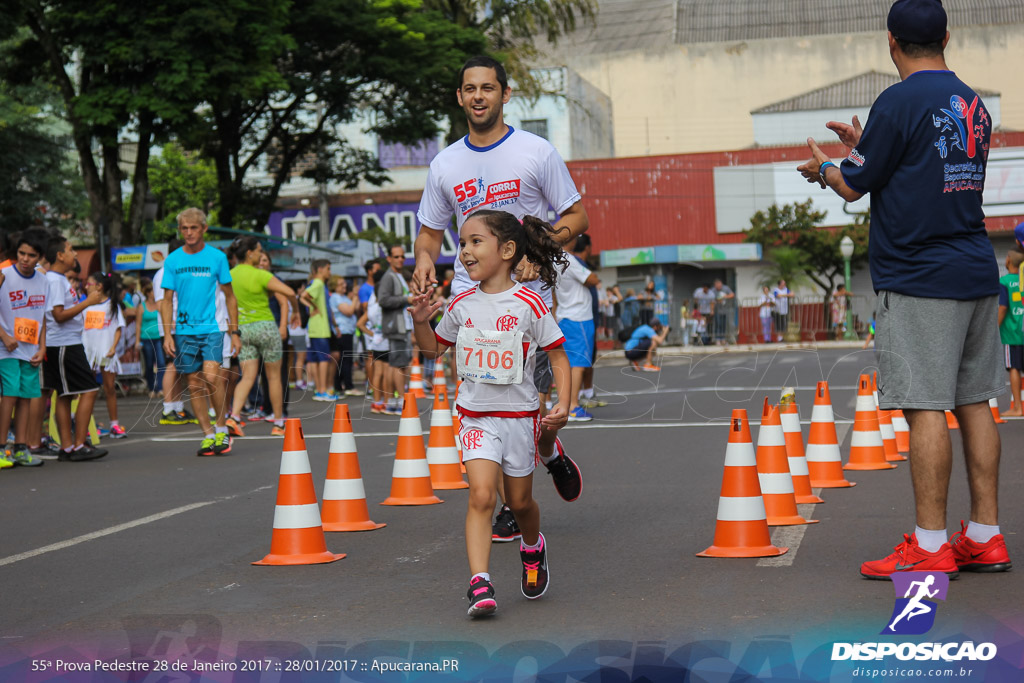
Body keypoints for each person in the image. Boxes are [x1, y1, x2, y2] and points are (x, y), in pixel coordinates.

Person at [797, 0, 1010, 578]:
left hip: (919, 278)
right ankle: (986, 535)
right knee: (975, 403)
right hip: (974, 269)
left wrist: (825, 167)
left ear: (891, 42)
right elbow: (922, 165)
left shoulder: (897, 99)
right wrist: (865, 141)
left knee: (924, 409)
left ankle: (930, 541)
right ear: (947, 37)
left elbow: (853, 186)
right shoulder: (973, 102)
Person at [411, 54, 585, 520]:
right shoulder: (445, 163)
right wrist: (425, 258)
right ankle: (508, 500)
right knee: (488, 397)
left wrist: (537, 251)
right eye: (470, 89)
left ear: (504, 94)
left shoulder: (536, 151)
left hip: (529, 294)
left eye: (487, 88)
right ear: (460, 97)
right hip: (472, 301)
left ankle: (548, 451)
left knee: (535, 403)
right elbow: (429, 232)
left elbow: (577, 217)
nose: (478, 96)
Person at [408, 210, 571, 618]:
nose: (464, 251)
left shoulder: (529, 303)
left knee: (520, 503)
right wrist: (420, 321)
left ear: (507, 249)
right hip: (476, 415)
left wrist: (563, 402)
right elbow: (432, 351)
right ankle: (480, 583)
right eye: (461, 243)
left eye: (475, 241)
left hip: (520, 417)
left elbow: (559, 356)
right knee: (481, 496)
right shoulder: (462, 304)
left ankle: (532, 547)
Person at [160, 208, 241, 456]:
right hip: (184, 331)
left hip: (212, 329)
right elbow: (166, 299)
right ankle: (207, 435)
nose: (189, 233)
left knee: (212, 377)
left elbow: (230, 296)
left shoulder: (217, 258)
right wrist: (167, 334)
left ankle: (221, 429)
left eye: (193, 228)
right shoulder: (173, 260)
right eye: (184, 228)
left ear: (204, 228)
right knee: (194, 384)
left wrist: (235, 332)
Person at [224, 236, 300, 438]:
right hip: (266, 327)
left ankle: (235, 416)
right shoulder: (261, 275)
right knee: (274, 377)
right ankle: (278, 423)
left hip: (243, 330)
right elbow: (290, 292)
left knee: (248, 376)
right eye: (258, 250)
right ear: (249, 254)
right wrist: (296, 311)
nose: (260, 254)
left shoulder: (230, 275)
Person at [42, 234, 108, 461]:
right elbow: (58, 316)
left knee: (65, 395)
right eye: (70, 249)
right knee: (89, 389)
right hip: (63, 344)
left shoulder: (58, 279)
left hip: (66, 343)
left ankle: (68, 447)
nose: (75, 253)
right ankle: (78, 445)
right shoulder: (53, 280)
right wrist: (87, 302)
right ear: (59, 255)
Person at [0, 229, 50, 467]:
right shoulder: (3, 274)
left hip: (30, 350)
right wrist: (4, 336)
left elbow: (42, 318)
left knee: (25, 398)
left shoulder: (43, 279)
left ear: (40, 256)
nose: (25, 259)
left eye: (31, 255)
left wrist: (42, 347)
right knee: (8, 396)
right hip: (5, 349)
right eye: (21, 253)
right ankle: (1, 448)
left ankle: (21, 448)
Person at [553, 235, 601, 421]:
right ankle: (573, 405)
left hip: (566, 315)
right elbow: (592, 279)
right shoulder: (569, 259)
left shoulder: (555, 260)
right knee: (579, 364)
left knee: (570, 362)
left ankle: (567, 405)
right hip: (579, 316)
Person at [155, 237, 196, 426]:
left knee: (179, 367)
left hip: (181, 326)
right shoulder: (163, 273)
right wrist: (169, 328)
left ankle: (178, 407)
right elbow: (161, 303)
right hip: (170, 328)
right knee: (172, 365)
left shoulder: (176, 272)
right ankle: (168, 408)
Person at [82, 272, 128, 438]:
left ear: (99, 286)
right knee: (87, 390)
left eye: (89, 283)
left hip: (106, 352)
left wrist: (114, 347)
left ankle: (114, 425)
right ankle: (86, 425)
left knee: (109, 388)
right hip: (88, 353)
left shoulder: (111, 306)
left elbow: (118, 328)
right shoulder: (84, 305)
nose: (86, 286)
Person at [377, 245, 414, 415]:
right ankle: (400, 402)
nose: (400, 259)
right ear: (389, 259)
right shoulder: (389, 277)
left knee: (396, 365)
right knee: (399, 365)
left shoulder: (397, 276)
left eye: (402, 257)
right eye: (396, 256)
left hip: (400, 326)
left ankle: (393, 401)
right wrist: (406, 298)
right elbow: (383, 300)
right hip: (395, 327)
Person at [299, 259, 336, 402]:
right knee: (323, 360)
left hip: (315, 327)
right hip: (320, 327)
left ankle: (320, 390)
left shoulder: (319, 283)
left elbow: (304, 296)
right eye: (328, 268)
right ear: (320, 269)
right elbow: (303, 296)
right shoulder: (318, 283)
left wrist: (312, 306)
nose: (330, 272)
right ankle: (323, 390)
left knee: (315, 359)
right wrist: (313, 306)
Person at [997, 250, 1024, 417]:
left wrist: (994, 327)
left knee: (1014, 367)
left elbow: (1003, 307)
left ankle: (1017, 407)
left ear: (1008, 262)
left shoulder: (1004, 281)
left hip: (1011, 332)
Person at [329, 276, 361, 396]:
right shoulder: (335, 298)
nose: (344, 286)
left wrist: (356, 296)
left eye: (344, 283)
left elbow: (356, 308)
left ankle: (342, 384)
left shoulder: (343, 297)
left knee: (346, 359)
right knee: (345, 360)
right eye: (341, 284)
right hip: (342, 332)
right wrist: (353, 299)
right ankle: (346, 385)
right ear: (334, 286)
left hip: (348, 331)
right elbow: (349, 311)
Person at [135, 278, 165, 399]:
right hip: (146, 338)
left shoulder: (159, 305)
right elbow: (138, 324)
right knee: (148, 364)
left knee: (161, 363)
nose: (155, 293)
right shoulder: (142, 307)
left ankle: (161, 387)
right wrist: (137, 341)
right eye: (153, 291)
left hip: (158, 337)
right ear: (148, 293)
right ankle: (152, 388)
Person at [712, 278, 734, 344]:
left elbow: (732, 294)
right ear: (715, 285)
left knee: (723, 325)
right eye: (717, 286)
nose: (719, 287)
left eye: (720, 285)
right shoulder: (713, 290)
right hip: (717, 310)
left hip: (725, 309)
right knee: (718, 324)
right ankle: (718, 339)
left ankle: (723, 339)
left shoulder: (726, 288)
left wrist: (725, 296)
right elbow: (711, 299)